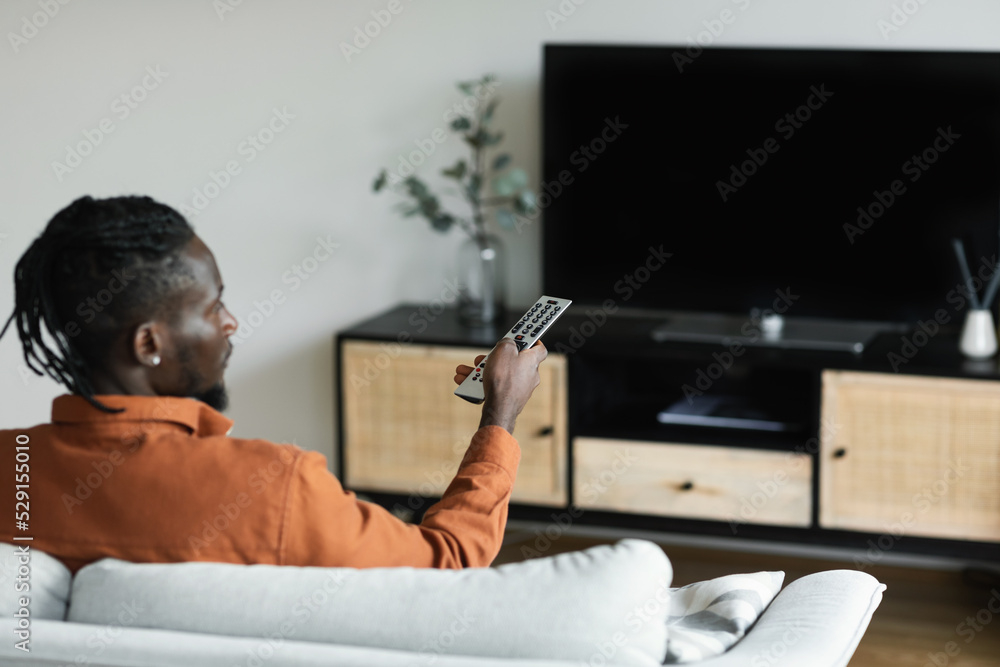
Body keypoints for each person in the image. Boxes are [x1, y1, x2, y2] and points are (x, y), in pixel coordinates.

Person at [0, 195, 547, 573]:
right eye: (213, 306)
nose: (231, 322)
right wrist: (499, 416)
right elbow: (446, 562)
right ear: (148, 345)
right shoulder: (272, 486)